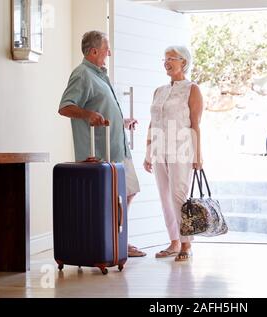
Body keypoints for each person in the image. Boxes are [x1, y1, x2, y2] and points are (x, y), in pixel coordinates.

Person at [58, 30, 146, 257]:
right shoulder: (82, 74)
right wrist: (87, 114)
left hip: (118, 147)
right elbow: (65, 107)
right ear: (94, 51)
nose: (110, 52)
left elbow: (102, 108)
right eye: (107, 48)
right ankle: (113, 243)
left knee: (127, 193)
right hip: (100, 151)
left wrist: (122, 121)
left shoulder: (100, 74)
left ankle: (117, 240)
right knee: (111, 197)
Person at [143, 46, 204, 262]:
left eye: (171, 59)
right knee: (165, 197)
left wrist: (198, 156)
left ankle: (186, 243)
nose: (167, 62)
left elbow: (195, 124)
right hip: (159, 150)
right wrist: (148, 151)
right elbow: (153, 122)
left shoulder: (191, 89)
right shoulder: (159, 91)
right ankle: (174, 241)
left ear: (183, 62)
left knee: (179, 196)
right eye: (165, 59)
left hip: (182, 149)